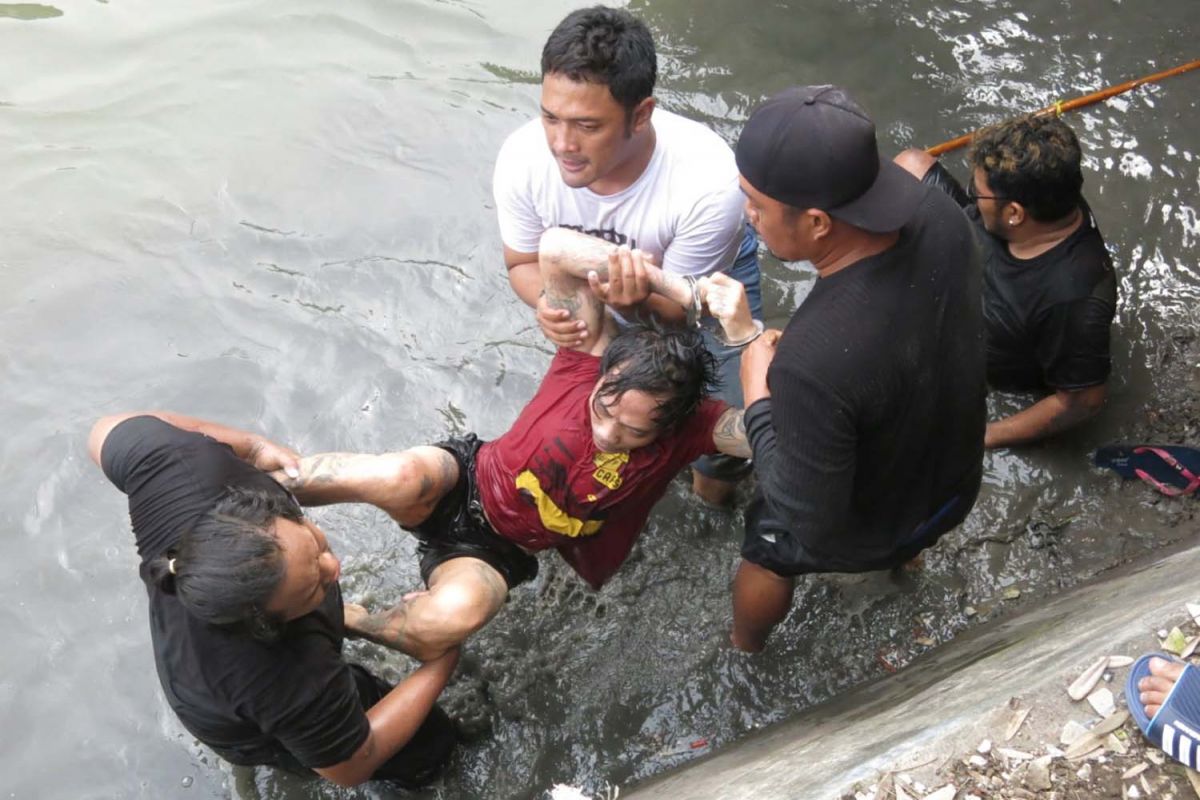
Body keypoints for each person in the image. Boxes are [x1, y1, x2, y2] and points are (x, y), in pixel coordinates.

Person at [272, 228, 757, 660]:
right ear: (605, 374)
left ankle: (348, 618)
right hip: (462, 480)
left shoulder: (696, 427)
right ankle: (259, 485)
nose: (609, 434)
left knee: (447, 623)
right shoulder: (588, 355)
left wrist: (746, 335)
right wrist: (686, 292)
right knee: (399, 476)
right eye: (603, 410)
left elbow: (778, 433)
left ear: (671, 424)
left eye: (635, 432)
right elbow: (556, 247)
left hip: (497, 552)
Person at [707, 85, 987, 652]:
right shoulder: (940, 213)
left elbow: (807, 517)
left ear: (817, 223)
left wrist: (758, 392)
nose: (748, 216)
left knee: (769, 543)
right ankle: (910, 562)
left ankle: (744, 646)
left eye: (756, 204)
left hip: (871, 532)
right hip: (955, 487)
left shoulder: (811, 360)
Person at [88, 412, 458, 788]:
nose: (334, 567)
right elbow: (351, 767)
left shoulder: (185, 476)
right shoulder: (281, 675)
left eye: (315, 544)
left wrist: (252, 448)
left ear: (258, 509)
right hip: (226, 710)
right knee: (430, 747)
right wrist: (441, 659)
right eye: (313, 588)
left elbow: (104, 432)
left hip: (226, 653)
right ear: (268, 623)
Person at [493, 4, 762, 507]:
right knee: (595, 430)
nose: (562, 144)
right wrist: (549, 305)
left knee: (719, 449)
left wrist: (637, 303)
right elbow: (522, 263)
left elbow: (682, 318)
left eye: (587, 125)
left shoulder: (709, 184)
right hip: (598, 291)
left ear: (640, 115)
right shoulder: (522, 159)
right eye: (550, 117)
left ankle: (714, 503)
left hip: (697, 288)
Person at [894, 114, 1117, 448]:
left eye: (977, 192)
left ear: (1015, 213)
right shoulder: (1049, 194)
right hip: (973, 250)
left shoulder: (1073, 298)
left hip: (988, 337)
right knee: (911, 164)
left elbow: (1082, 401)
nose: (972, 195)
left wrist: (980, 436)